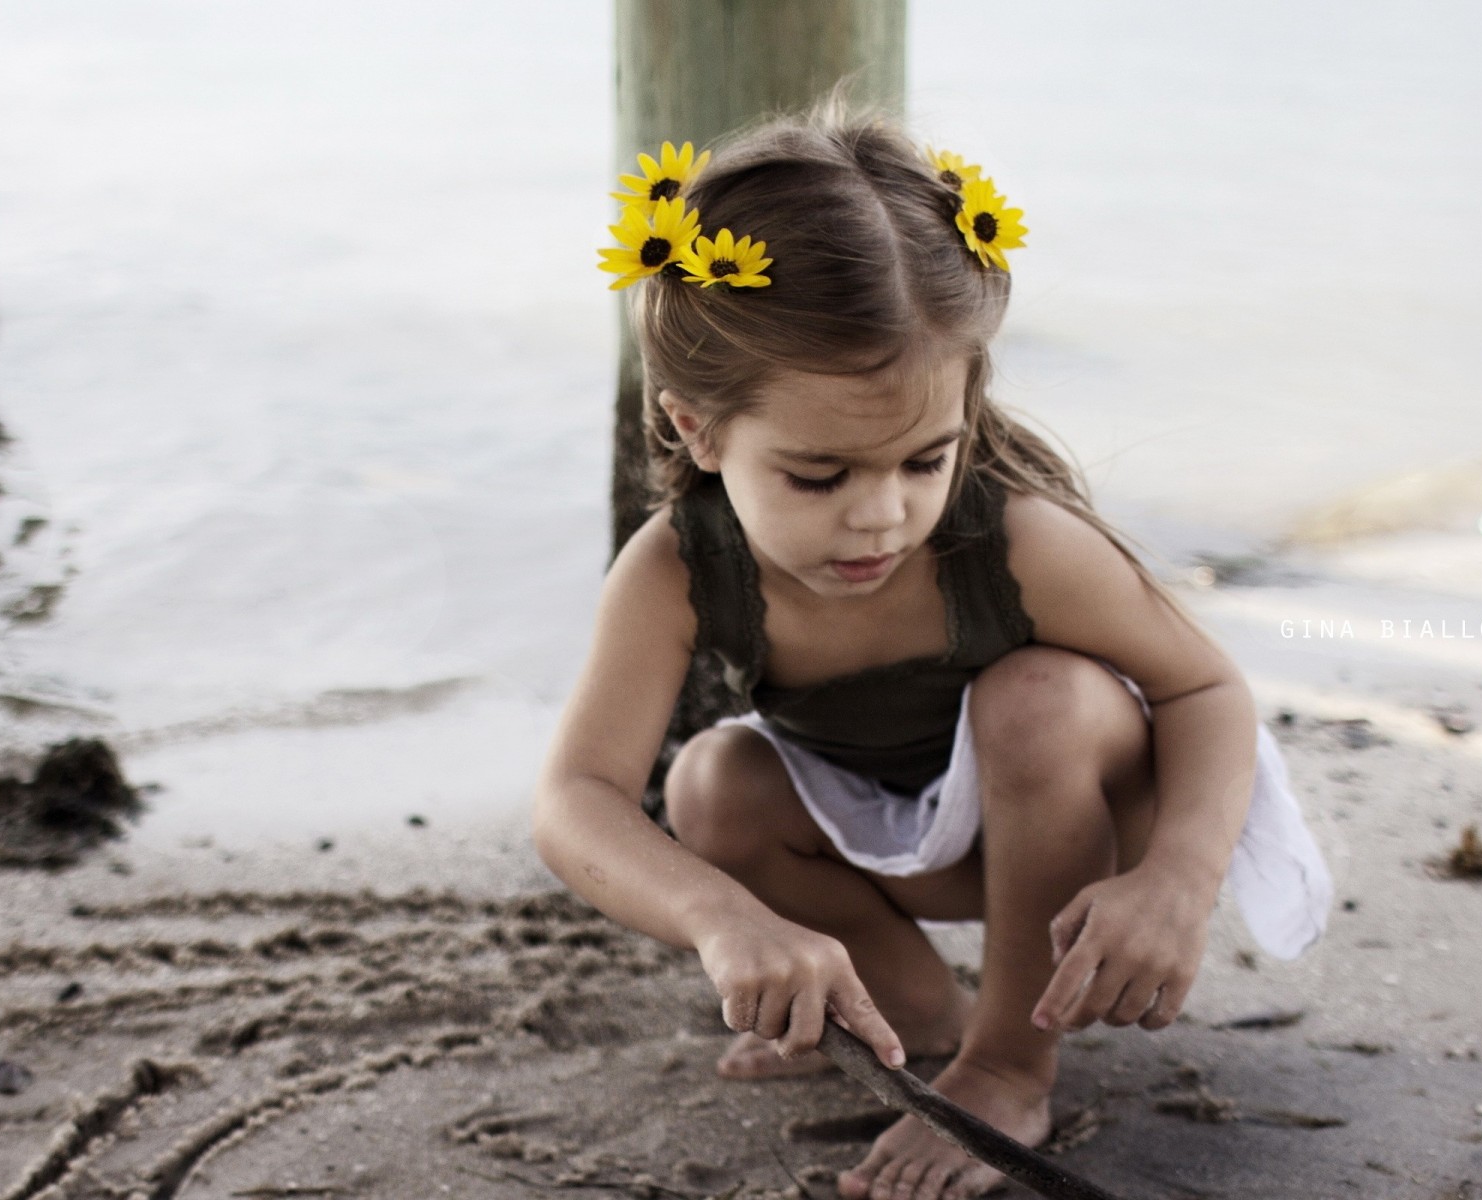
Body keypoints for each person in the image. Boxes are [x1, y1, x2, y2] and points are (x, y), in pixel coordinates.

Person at [534, 95, 1332, 1200]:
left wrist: (1179, 878)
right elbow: (578, 798)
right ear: (696, 428)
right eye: (820, 477)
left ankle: (1011, 1061)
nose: (881, 517)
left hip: (1094, 811)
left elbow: (1204, 687)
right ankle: (917, 1016)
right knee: (714, 782)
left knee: (1036, 698)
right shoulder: (678, 568)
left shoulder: (1017, 544)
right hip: (908, 833)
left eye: (924, 460)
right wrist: (731, 923)